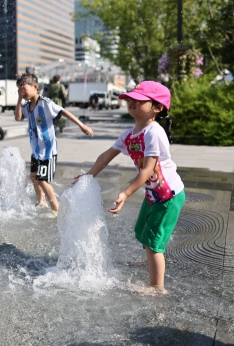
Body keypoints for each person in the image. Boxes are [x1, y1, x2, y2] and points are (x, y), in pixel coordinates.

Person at [75, 81, 184, 295]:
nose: (132, 102)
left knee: (153, 240)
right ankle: (152, 260)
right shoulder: (129, 134)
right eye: (130, 99)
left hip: (168, 195)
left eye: (139, 99)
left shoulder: (154, 132)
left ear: (157, 107)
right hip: (154, 193)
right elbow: (106, 156)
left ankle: (157, 287)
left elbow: (146, 171)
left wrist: (125, 193)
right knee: (142, 231)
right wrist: (88, 176)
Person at [15, 73, 94, 217]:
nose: (22, 92)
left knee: (42, 179)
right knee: (34, 176)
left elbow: (64, 111)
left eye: (24, 89)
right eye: (19, 90)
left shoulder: (45, 103)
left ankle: (56, 208)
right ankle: (42, 202)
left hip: (47, 151)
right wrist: (20, 98)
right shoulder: (27, 106)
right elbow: (18, 117)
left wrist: (82, 125)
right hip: (36, 151)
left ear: (35, 87)